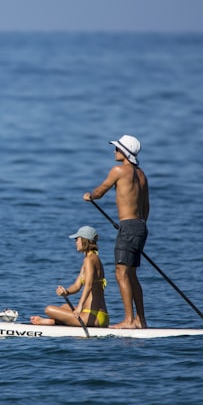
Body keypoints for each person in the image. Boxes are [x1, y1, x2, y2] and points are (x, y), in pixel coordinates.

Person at [84, 134, 150, 329]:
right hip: (141, 226)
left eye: (117, 149)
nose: (114, 151)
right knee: (131, 275)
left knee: (121, 273)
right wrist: (140, 225)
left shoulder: (119, 170)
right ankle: (140, 320)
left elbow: (100, 191)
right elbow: (146, 206)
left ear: (125, 152)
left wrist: (90, 195)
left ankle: (129, 320)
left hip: (128, 227)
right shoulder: (142, 174)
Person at [29, 226, 109, 327]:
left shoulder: (89, 260)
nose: (75, 242)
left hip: (92, 317)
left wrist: (79, 307)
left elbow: (88, 285)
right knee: (64, 306)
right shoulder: (92, 258)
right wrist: (66, 292)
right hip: (99, 315)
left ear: (85, 240)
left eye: (77, 239)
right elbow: (77, 286)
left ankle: (50, 322)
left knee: (48, 309)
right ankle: (51, 321)